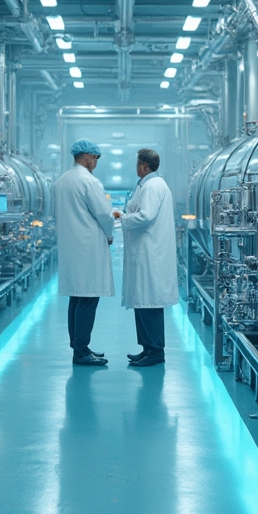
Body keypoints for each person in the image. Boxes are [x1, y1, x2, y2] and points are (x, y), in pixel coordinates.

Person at [54, 139, 116, 366]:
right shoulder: (89, 182)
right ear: (88, 157)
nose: (96, 164)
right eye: (95, 159)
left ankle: (79, 346)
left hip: (71, 248)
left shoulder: (62, 181)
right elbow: (105, 215)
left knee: (76, 298)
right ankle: (81, 352)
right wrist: (110, 234)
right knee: (88, 299)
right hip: (88, 247)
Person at [115, 148, 178, 367]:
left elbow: (145, 215)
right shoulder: (150, 185)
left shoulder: (152, 186)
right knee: (143, 302)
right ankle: (147, 348)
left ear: (143, 165)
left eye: (136, 163)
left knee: (149, 304)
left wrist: (123, 218)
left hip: (150, 252)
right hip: (146, 251)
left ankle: (155, 352)